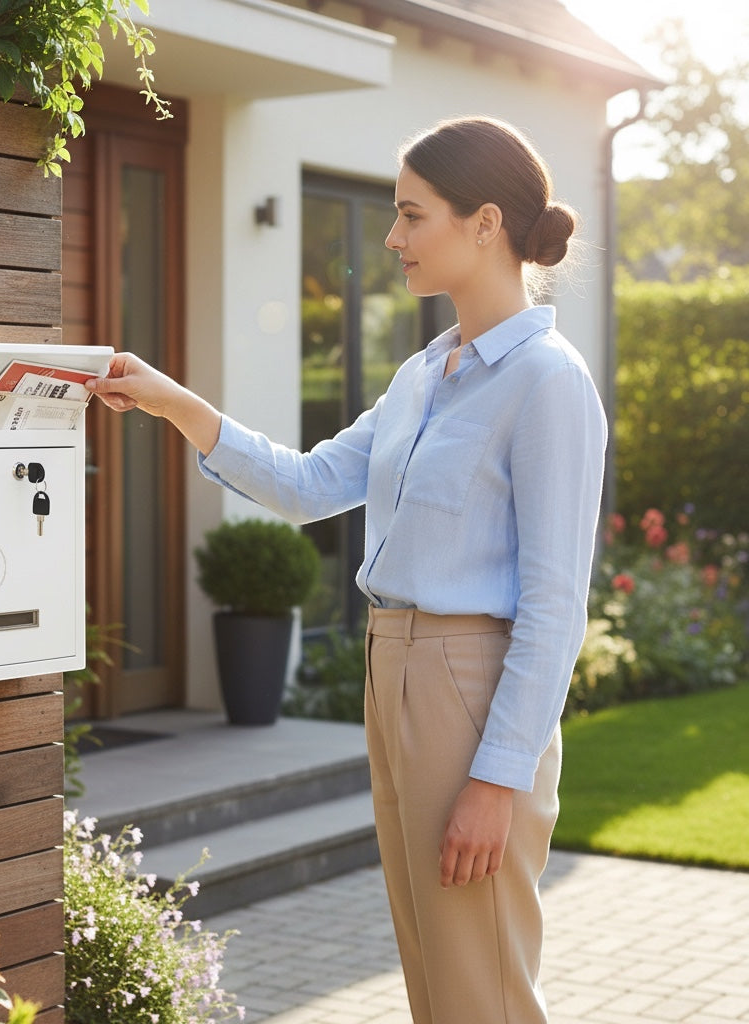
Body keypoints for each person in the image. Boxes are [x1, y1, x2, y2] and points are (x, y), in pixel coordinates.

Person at [85, 115, 607, 1024]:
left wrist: (498, 778)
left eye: (412, 215)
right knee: (432, 970)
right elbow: (309, 483)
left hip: (468, 684)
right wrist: (174, 404)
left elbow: (557, 602)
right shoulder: (423, 376)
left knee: (481, 981)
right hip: (392, 670)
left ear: (485, 224)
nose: (394, 238)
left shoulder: (549, 382)